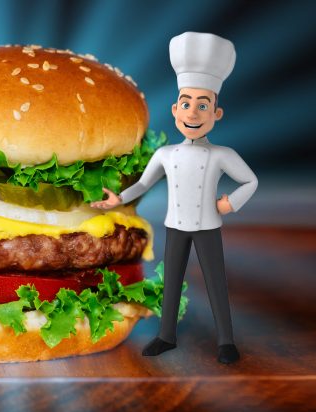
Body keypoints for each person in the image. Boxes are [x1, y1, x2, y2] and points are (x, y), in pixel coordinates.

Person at [91, 32, 257, 364]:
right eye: (186, 103)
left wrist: (228, 204)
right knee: (170, 283)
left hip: (208, 225)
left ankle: (226, 341)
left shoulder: (222, 154)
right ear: (175, 108)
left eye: (202, 105)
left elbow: (250, 181)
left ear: (216, 114)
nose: (192, 113)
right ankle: (166, 336)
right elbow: (144, 184)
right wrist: (117, 199)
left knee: (215, 283)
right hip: (176, 225)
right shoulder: (166, 154)